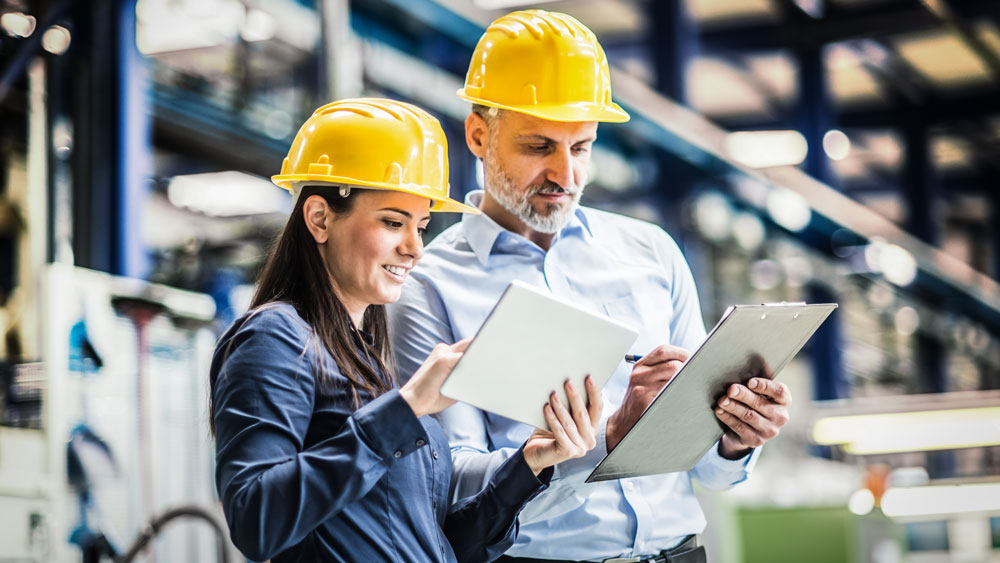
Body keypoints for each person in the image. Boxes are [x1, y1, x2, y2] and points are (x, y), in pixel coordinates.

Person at [388, 11, 792, 563]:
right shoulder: (428, 288)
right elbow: (452, 488)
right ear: (479, 135)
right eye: (539, 147)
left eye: (580, 147)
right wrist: (608, 437)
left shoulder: (652, 254)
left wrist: (735, 435)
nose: (566, 174)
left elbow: (711, 472)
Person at [209, 98, 604, 563]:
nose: (415, 248)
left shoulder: (368, 363)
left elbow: (432, 545)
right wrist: (409, 405)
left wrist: (529, 463)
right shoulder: (275, 338)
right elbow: (256, 519)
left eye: (422, 226)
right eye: (393, 222)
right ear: (319, 218)